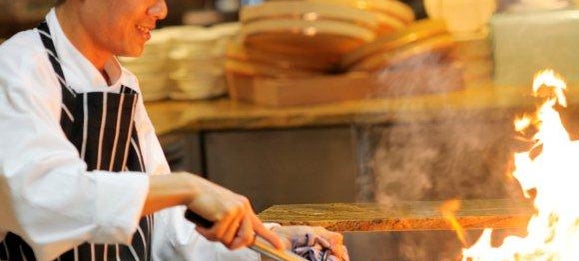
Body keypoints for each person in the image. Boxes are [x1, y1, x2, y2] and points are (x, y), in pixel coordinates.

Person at [0, 0, 348, 260]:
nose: (161, 9)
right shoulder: (16, 70)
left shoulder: (123, 85)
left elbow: (166, 230)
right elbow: (44, 201)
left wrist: (272, 245)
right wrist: (186, 187)